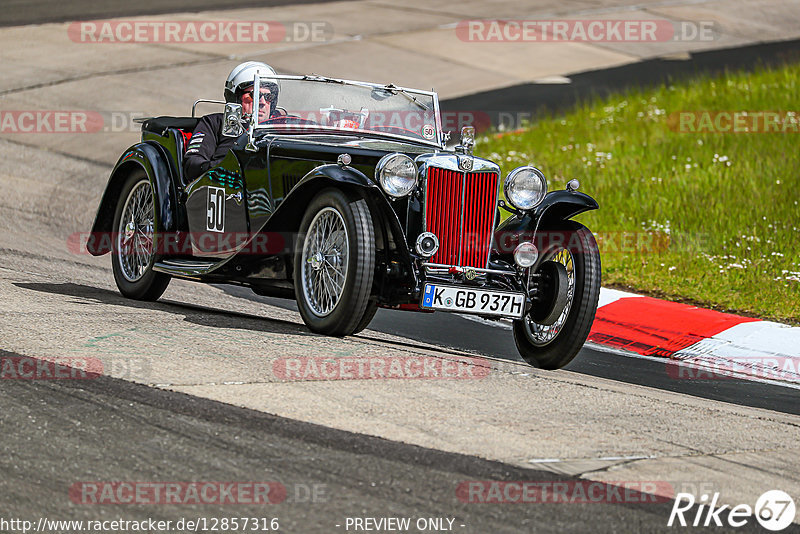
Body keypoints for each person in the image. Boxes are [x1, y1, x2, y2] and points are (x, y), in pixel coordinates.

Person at [183, 61, 280, 182]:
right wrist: (225, 168)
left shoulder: (283, 124)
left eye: (269, 97)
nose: (262, 102)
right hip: (227, 185)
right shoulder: (215, 122)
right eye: (254, 95)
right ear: (235, 98)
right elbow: (193, 165)